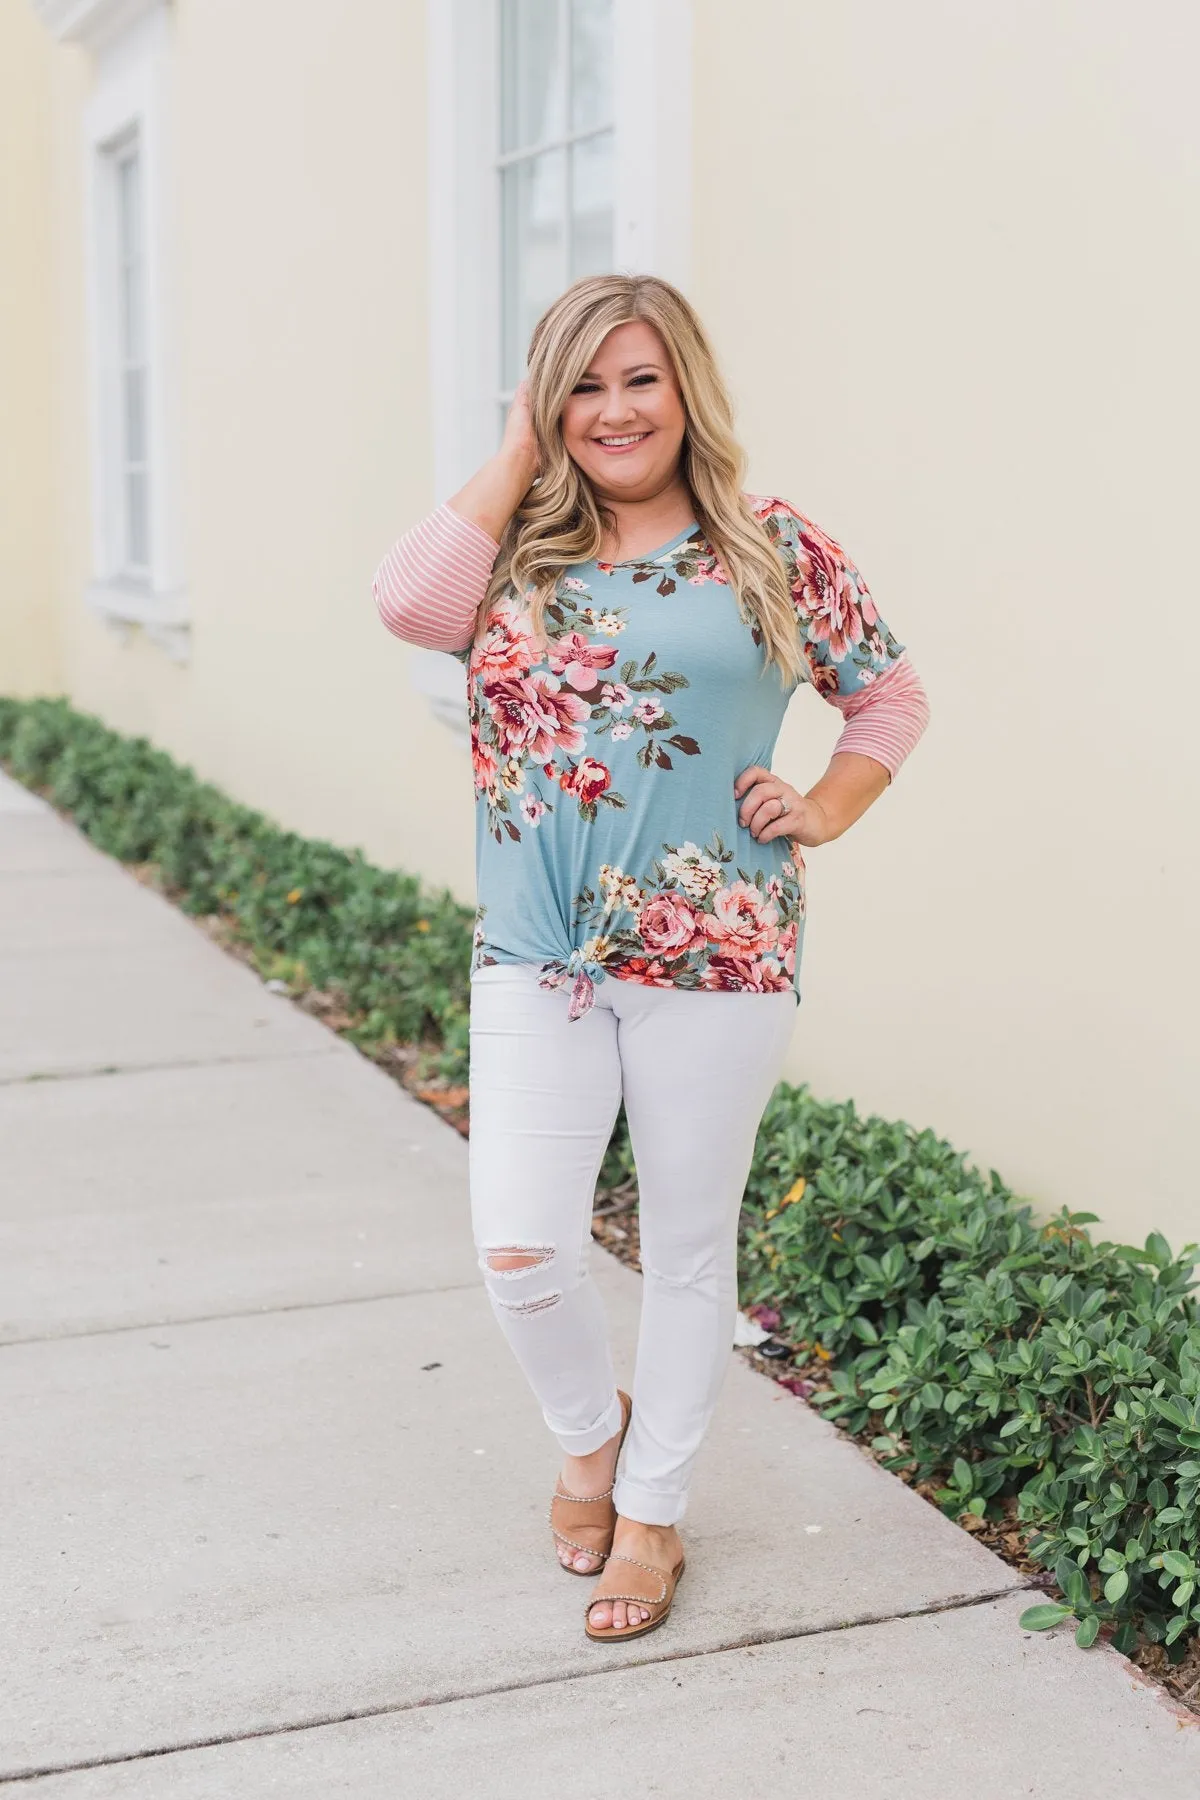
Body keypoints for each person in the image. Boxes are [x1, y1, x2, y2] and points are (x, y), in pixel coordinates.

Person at [371, 273, 930, 1643]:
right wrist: (517, 453)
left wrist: (826, 805)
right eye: (583, 384)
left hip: (718, 947)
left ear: (686, 390)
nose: (614, 410)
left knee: (688, 1250)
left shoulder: (770, 547)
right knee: (520, 1250)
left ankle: (656, 1513)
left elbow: (891, 695)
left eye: (640, 380)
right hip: (537, 953)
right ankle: (590, 1439)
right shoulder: (514, 550)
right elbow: (402, 606)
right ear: (548, 400)